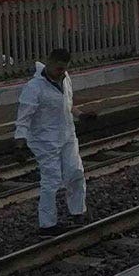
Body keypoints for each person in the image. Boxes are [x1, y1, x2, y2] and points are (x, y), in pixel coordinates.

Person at [14, 48, 87, 235]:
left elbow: (68, 105)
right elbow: (24, 118)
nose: (60, 72)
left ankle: (78, 211)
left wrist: (81, 115)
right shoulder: (34, 88)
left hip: (67, 134)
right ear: (49, 63)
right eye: (58, 69)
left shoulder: (65, 79)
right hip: (44, 140)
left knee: (76, 172)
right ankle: (47, 224)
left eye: (64, 69)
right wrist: (20, 143)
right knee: (51, 180)